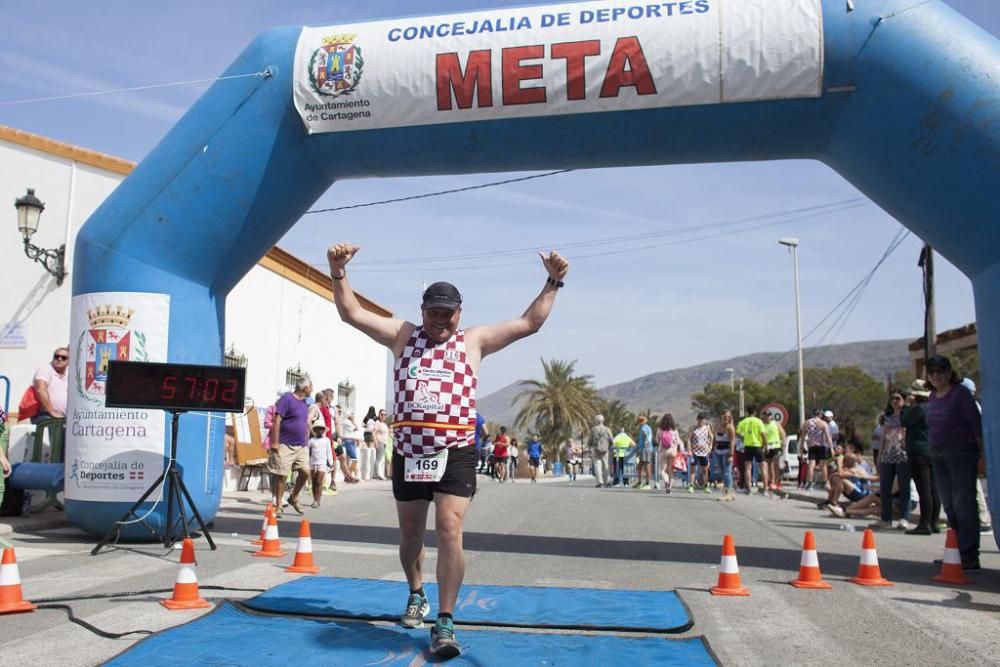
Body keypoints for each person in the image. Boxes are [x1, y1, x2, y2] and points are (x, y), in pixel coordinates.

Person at [327, 240, 568, 658]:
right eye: (433, 311)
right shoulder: (403, 335)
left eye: (448, 312)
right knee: (409, 535)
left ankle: (445, 620)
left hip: (455, 450)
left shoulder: (473, 341)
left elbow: (529, 322)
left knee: (449, 528)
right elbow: (352, 313)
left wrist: (553, 281)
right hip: (409, 451)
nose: (440, 319)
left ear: (459, 313)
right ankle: (416, 592)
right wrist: (338, 272)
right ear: (423, 312)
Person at [925, 354, 983, 570]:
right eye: (932, 372)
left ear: (949, 373)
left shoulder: (960, 394)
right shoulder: (933, 396)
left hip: (961, 452)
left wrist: (982, 454)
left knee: (963, 503)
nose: (936, 375)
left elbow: (975, 424)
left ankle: (969, 554)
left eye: (940, 371)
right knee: (949, 504)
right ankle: (955, 551)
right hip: (938, 454)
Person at [268, 377, 313, 516]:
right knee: (281, 475)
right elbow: (277, 419)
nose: (312, 389)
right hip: (285, 444)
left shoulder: (304, 403)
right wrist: (274, 441)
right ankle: (279, 504)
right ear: (305, 388)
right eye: (311, 386)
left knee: (305, 471)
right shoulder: (287, 399)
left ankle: (293, 497)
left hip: (301, 445)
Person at [901, 379, 940, 535]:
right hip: (933, 450)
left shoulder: (918, 410)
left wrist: (906, 406)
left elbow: (904, 421)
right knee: (933, 488)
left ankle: (924, 524)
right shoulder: (935, 407)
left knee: (923, 489)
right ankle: (933, 522)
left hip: (919, 451)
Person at [875, 389, 911, 530]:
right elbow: (883, 437)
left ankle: (904, 517)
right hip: (888, 454)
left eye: (897, 398)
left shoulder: (907, 415)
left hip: (903, 454)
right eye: (892, 399)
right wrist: (880, 456)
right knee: (885, 487)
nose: (895, 401)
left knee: (904, 487)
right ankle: (886, 518)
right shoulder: (888, 417)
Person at [32, 346, 69, 423]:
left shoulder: (69, 372)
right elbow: (40, 390)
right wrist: (52, 411)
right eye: (56, 356)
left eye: (63, 357)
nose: (59, 359)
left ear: (69, 361)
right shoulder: (45, 369)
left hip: (64, 417)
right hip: (46, 415)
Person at [736, 406, 767, 494]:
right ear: (755, 412)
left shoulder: (743, 422)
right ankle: (765, 489)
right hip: (757, 446)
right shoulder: (758, 421)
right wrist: (766, 445)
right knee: (763, 467)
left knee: (748, 467)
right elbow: (763, 434)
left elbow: (737, 432)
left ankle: (749, 489)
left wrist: (743, 437)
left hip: (747, 446)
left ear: (747, 412)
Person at [800, 409, 833, 490]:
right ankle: (825, 482)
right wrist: (831, 447)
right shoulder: (823, 423)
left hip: (811, 446)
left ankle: (809, 482)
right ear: (820, 415)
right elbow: (828, 436)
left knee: (811, 464)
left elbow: (803, 436)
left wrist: (801, 446)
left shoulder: (807, 423)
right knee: (823, 465)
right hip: (821, 446)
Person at [307, 416, 333, 508]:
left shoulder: (326, 440)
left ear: (324, 430)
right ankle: (315, 500)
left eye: (321, 429)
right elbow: (308, 452)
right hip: (312, 463)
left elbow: (329, 451)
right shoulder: (311, 441)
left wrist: (330, 463)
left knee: (319, 481)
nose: (320, 431)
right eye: (318, 429)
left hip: (322, 463)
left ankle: (318, 500)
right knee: (314, 482)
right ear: (315, 430)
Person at [713, 410, 736, 501]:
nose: (726, 418)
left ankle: (727, 493)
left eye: (728, 417)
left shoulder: (730, 428)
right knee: (722, 472)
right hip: (718, 452)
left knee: (727, 472)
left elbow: (732, 441)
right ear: (721, 416)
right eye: (725, 416)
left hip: (726, 452)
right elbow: (715, 438)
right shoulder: (717, 426)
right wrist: (712, 449)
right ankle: (731, 491)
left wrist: (731, 455)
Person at [687, 413, 714, 493]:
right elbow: (688, 439)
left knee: (705, 470)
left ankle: (706, 486)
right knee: (693, 469)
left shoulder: (707, 428)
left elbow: (711, 436)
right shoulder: (693, 428)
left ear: (704, 420)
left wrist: (710, 447)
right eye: (699, 419)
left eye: (702, 419)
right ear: (697, 419)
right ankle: (691, 485)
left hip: (704, 452)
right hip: (694, 452)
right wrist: (689, 450)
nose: (700, 421)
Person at [761, 412, 785, 496]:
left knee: (776, 464)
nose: (767, 417)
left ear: (771, 416)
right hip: (767, 447)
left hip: (776, 446)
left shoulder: (776, 424)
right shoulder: (762, 425)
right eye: (766, 416)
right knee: (768, 466)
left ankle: (777, 482)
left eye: (769, 416)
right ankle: (772, 482)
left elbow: (783, 433)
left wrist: (783, 444)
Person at [588, 415, 613, 488]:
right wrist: (610, 445)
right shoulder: (607, 429)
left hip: (595, 449)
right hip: (605, 449)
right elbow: (611, 439)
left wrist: (589, 446)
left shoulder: (593, 429)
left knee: (597, 465)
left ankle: (600, 482)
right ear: (603, 421)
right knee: (606, 465)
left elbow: (590, 440)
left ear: (596, 421)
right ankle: (608, 481)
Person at [657, 414, 679, 494]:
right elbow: (678, 441)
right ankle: (669, 488)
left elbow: (657, 440)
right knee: (670, 471)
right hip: (672, 451)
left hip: (663, 451)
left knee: (663, 470)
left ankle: (666, 481)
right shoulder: (674, 430)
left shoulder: (659, 429)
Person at [340, 412, 361, 483]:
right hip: (348, 441)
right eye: (352, 414)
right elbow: (356, 428)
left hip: (351, 441)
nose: (353, 416)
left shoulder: (349, 422)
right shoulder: (346, 422)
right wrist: (353, 421)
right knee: (355, 459)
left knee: (349, 460)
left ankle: (348, 476)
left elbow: (355, 429)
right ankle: (348, 476)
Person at [634, 415, 653, 489]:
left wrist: (645, 443)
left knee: (646, 465)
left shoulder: (643, 427)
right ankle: (640, 482)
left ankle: (647, 483)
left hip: (645, 448)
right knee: (640, 466)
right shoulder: (648, 427)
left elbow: (645, 435)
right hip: (646, 448)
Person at [373, 408, 390, 481]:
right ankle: (376, 474)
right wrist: (375, 442)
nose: (383, 416)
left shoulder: (385, 424)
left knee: (381, 459)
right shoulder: (377, 422)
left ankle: (378, 474)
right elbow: (373, 432)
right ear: (379, 415)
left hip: (385, 443)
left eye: (384, 414)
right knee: (378, 459)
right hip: (380, 442)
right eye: (382, 414)